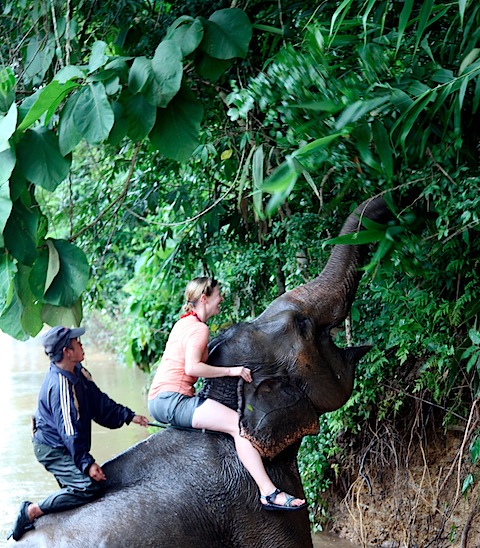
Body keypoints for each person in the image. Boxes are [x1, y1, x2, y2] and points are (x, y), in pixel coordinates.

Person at [148, 276, 306, 511]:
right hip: (173, 401)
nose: (221, 298)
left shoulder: (184, 323)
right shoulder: (198, 329)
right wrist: (234, 371)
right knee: (238, 427)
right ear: (204, 298)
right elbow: (192, 368)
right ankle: (269, 493)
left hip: (159, 400)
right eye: (218, 294)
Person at [7, 325, 149, 541]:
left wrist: (128, 416)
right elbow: (69, 432)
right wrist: (86, 463)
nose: (82, 344)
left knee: (78, 492)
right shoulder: (61, 386)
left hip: (67, 444)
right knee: (88, 488)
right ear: (67, 351)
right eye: (77, 342)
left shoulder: (78, 372)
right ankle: (31, 511)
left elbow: (99, 403)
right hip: (53, 449)